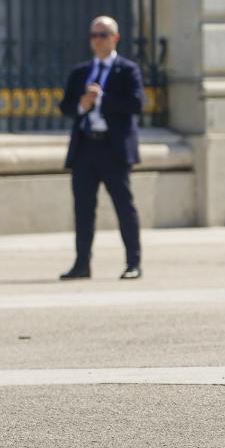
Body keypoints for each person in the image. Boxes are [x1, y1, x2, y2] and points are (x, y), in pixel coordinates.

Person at [58, 16, 143, 281]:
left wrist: (102, 99)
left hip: (113, 148)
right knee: (83, 209)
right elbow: (66, 106)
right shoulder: (80, 72)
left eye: (103, 35)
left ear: (115, 38)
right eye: (94, 35)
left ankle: (133, 262)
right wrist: (83, 105)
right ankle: (82, 263)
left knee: (124, 207)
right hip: (86, 147)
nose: (98, 40)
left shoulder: (127, 70)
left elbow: (136, 104)